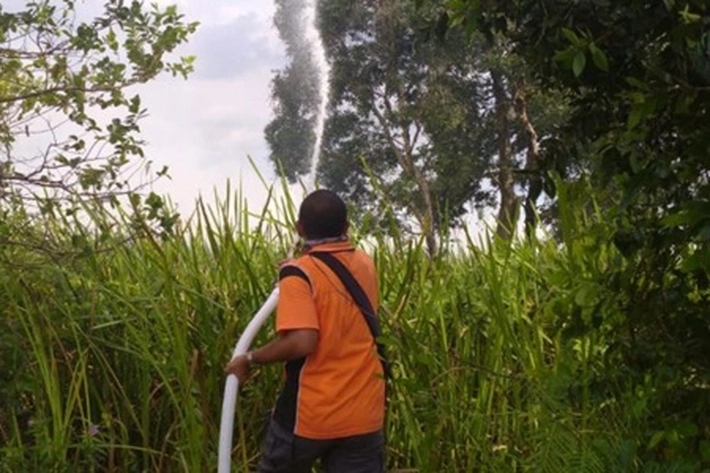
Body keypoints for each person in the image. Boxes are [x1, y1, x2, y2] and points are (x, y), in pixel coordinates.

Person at [224, 189, 386, 473]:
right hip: (364, 415)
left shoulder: (300, 273)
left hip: (311, 415)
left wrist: (250, 359)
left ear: (299, 228)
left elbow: (302, 341)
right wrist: (295, 270)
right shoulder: (366, 263)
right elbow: (334, 278)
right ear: (347, 227)